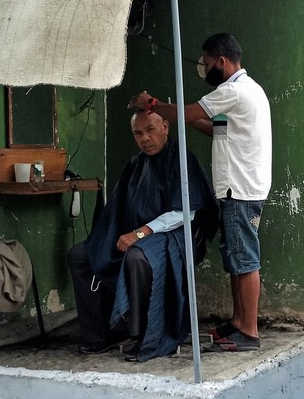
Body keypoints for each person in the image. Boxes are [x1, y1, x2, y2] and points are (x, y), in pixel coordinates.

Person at [129, 33, 272, 352]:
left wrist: (152, 105)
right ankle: (238, 322)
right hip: (240, 188)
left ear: (221, 61)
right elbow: (213, 127)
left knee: (245, 260)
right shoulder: (249, 91)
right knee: (236, 257)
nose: (204, 69)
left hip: (241, 189)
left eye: (206, 64)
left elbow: (189, 111)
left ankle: (249, 330)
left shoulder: (232, 91)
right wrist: (181, 117)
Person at [67, 110, 218, 361]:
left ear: (166, 127)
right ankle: (103, 332)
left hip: (177, 236)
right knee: (81, 255)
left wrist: (140, 233)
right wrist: (112, 237)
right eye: (138, 133)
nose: (145, 138)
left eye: (150, 129)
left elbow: (184, 212)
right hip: (138, 233)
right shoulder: (135, 164)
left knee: (138, 256)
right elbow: (118, 210)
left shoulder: (182, 159)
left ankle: (143, 335)